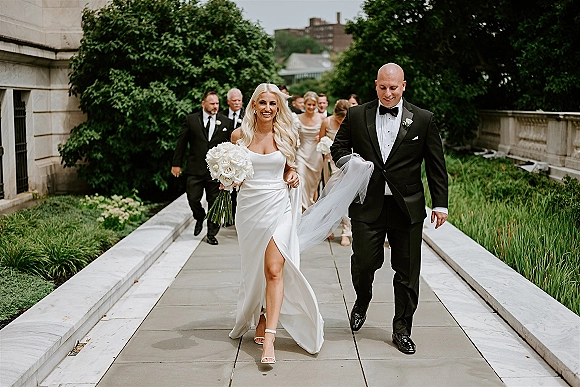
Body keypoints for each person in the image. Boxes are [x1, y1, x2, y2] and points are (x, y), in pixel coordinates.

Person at [331, 63, 448, 355]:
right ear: (376, 85)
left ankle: (402, 329)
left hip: (406, 208)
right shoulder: (357, 115)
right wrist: (353, 163)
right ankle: (363, 297)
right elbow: (338, 148)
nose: (388, 93)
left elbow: (435, 166)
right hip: (367, 204)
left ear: (403, 86)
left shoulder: (423, 119)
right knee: (364, 263)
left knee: (407, 271)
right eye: (383, 87)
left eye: (393, 88)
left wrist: (441, 203)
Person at [229, 83, 324, 364]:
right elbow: (234, 174)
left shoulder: (285, 134)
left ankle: (269, 336)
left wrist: (292, 174)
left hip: (279, 207)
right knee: (253, 270)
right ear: (254, 106)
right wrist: (228, 179)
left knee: (273, 269)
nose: (268, 109)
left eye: (273, 104)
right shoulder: (238, 136)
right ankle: (259, 314)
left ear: (278, 107)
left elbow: (289, 168)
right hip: (249, 211)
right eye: (263, 103)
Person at [171, 90, 232, 245]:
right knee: (193, 198)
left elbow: (230, 148)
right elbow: (181, 143)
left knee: (214, 202)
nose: (215, 106)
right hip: (195, 168)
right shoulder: (191, 120)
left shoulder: (226, 122)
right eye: (212, 103)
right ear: (203, 103)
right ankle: (199, 216)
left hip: (216, 172)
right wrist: (176, 164)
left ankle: (211, 234)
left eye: (217, 103)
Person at [318, 99, 352, 246]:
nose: (341, 122)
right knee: (330, 197)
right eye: (339, 119)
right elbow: (320, 140)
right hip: (329, 164)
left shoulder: (352, 123)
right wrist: (325, 150)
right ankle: (329, 227)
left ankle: (346, 231)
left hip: (346, 164)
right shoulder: (326, 122)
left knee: (344, 198)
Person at [294, 91, 324, 210]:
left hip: (315, 155)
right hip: (301, 154)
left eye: (313, 105)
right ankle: (302, 209)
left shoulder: (322, 118)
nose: (311, 107)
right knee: (301, 182)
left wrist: (322, 137)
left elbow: (327, 134)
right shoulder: (297, 118)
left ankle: (311, 208)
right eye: (309, 105)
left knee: (313, 186)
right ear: (304, 105)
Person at [220, 88, 245, 224]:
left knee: (238, 186)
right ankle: (228, 215)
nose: (236, 103)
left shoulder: (248, 116)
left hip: (241, 156)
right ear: (228, 101)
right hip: (226, 156)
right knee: (227, 186)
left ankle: (236, 215)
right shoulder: (221, 115)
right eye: (234, 100)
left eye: (239, 100)